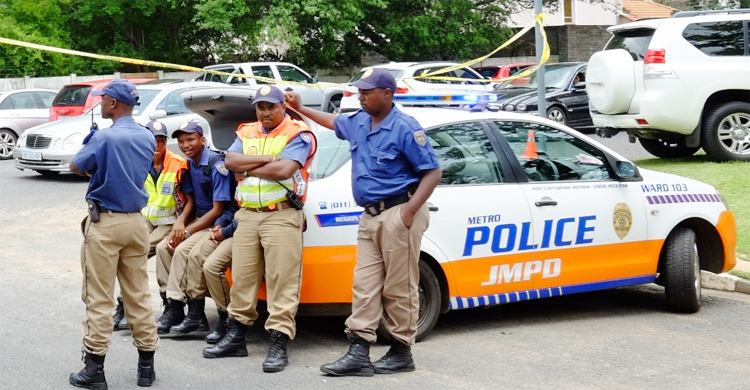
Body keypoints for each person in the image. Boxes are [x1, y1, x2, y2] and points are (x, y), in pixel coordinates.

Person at [285, 68, 441, 376]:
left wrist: (407, 214)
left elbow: (432, 172)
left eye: (367, 91)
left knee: (399, 287)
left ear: (387, 93)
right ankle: (359, 349)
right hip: (369, 215)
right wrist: (300, 108)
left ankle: (401, 350)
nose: (361, 95)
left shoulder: (405, 127)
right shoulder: (359, 120)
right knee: (364, 286)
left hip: (399, 212)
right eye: (360, 90)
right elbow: (334, 122)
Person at [203, 85, 316, 374]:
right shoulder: (246, 131)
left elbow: (284, 170)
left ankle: (278, 341)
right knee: (242, 278)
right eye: (260, 107)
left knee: (282, 281)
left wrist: (248, 168)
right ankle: (237, 336)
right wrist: (268, 160)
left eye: (271, 106)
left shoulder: (298, 132)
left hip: (281, 214)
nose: (265, 112)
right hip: (247, 215)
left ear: (283, 106)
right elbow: (230, 161)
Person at [68, 79, 159, 388]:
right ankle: (146, 366)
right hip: (137, 222)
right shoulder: (147, 137)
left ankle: (94, 369)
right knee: (138, 293)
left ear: (114, 104)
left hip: (106, 223)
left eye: (104, 99)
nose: (102, 103)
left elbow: (75, 166)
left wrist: (93, 151)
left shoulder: (104, 137)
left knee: (99, 298)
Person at [113, 120, 194, 332]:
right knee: (127, 252)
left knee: (142, 250)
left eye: (160, 140)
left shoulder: (178, 164)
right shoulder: (137, 162)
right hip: (147, 219)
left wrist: (181, 220)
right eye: (152, 140)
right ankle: (126, 306)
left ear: (165, 142)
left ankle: (170, 305)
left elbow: (190, 199)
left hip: (171, 220)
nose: (156, 145)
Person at [153, 121, 232, 334]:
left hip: (216, 222)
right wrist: (181, 222)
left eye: (191, 139)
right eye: (181, 141)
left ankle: (194, 312)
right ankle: (175, 308)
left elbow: (217, 210)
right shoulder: (189, 165)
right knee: (163, 247)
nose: (185, 144)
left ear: (202, 140)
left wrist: (188, 231)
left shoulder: (216, 165)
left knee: (183, 251)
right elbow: (190, 200)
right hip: (197, 219)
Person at [170, 213, 236, 343]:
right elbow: (231, 208)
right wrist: (220, 224)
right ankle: (195, 313)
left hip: (242, 228)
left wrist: (225, 231)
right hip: (228, 224)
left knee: (211, 266)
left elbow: (222, 208)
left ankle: (229, 320)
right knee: (194, 255)